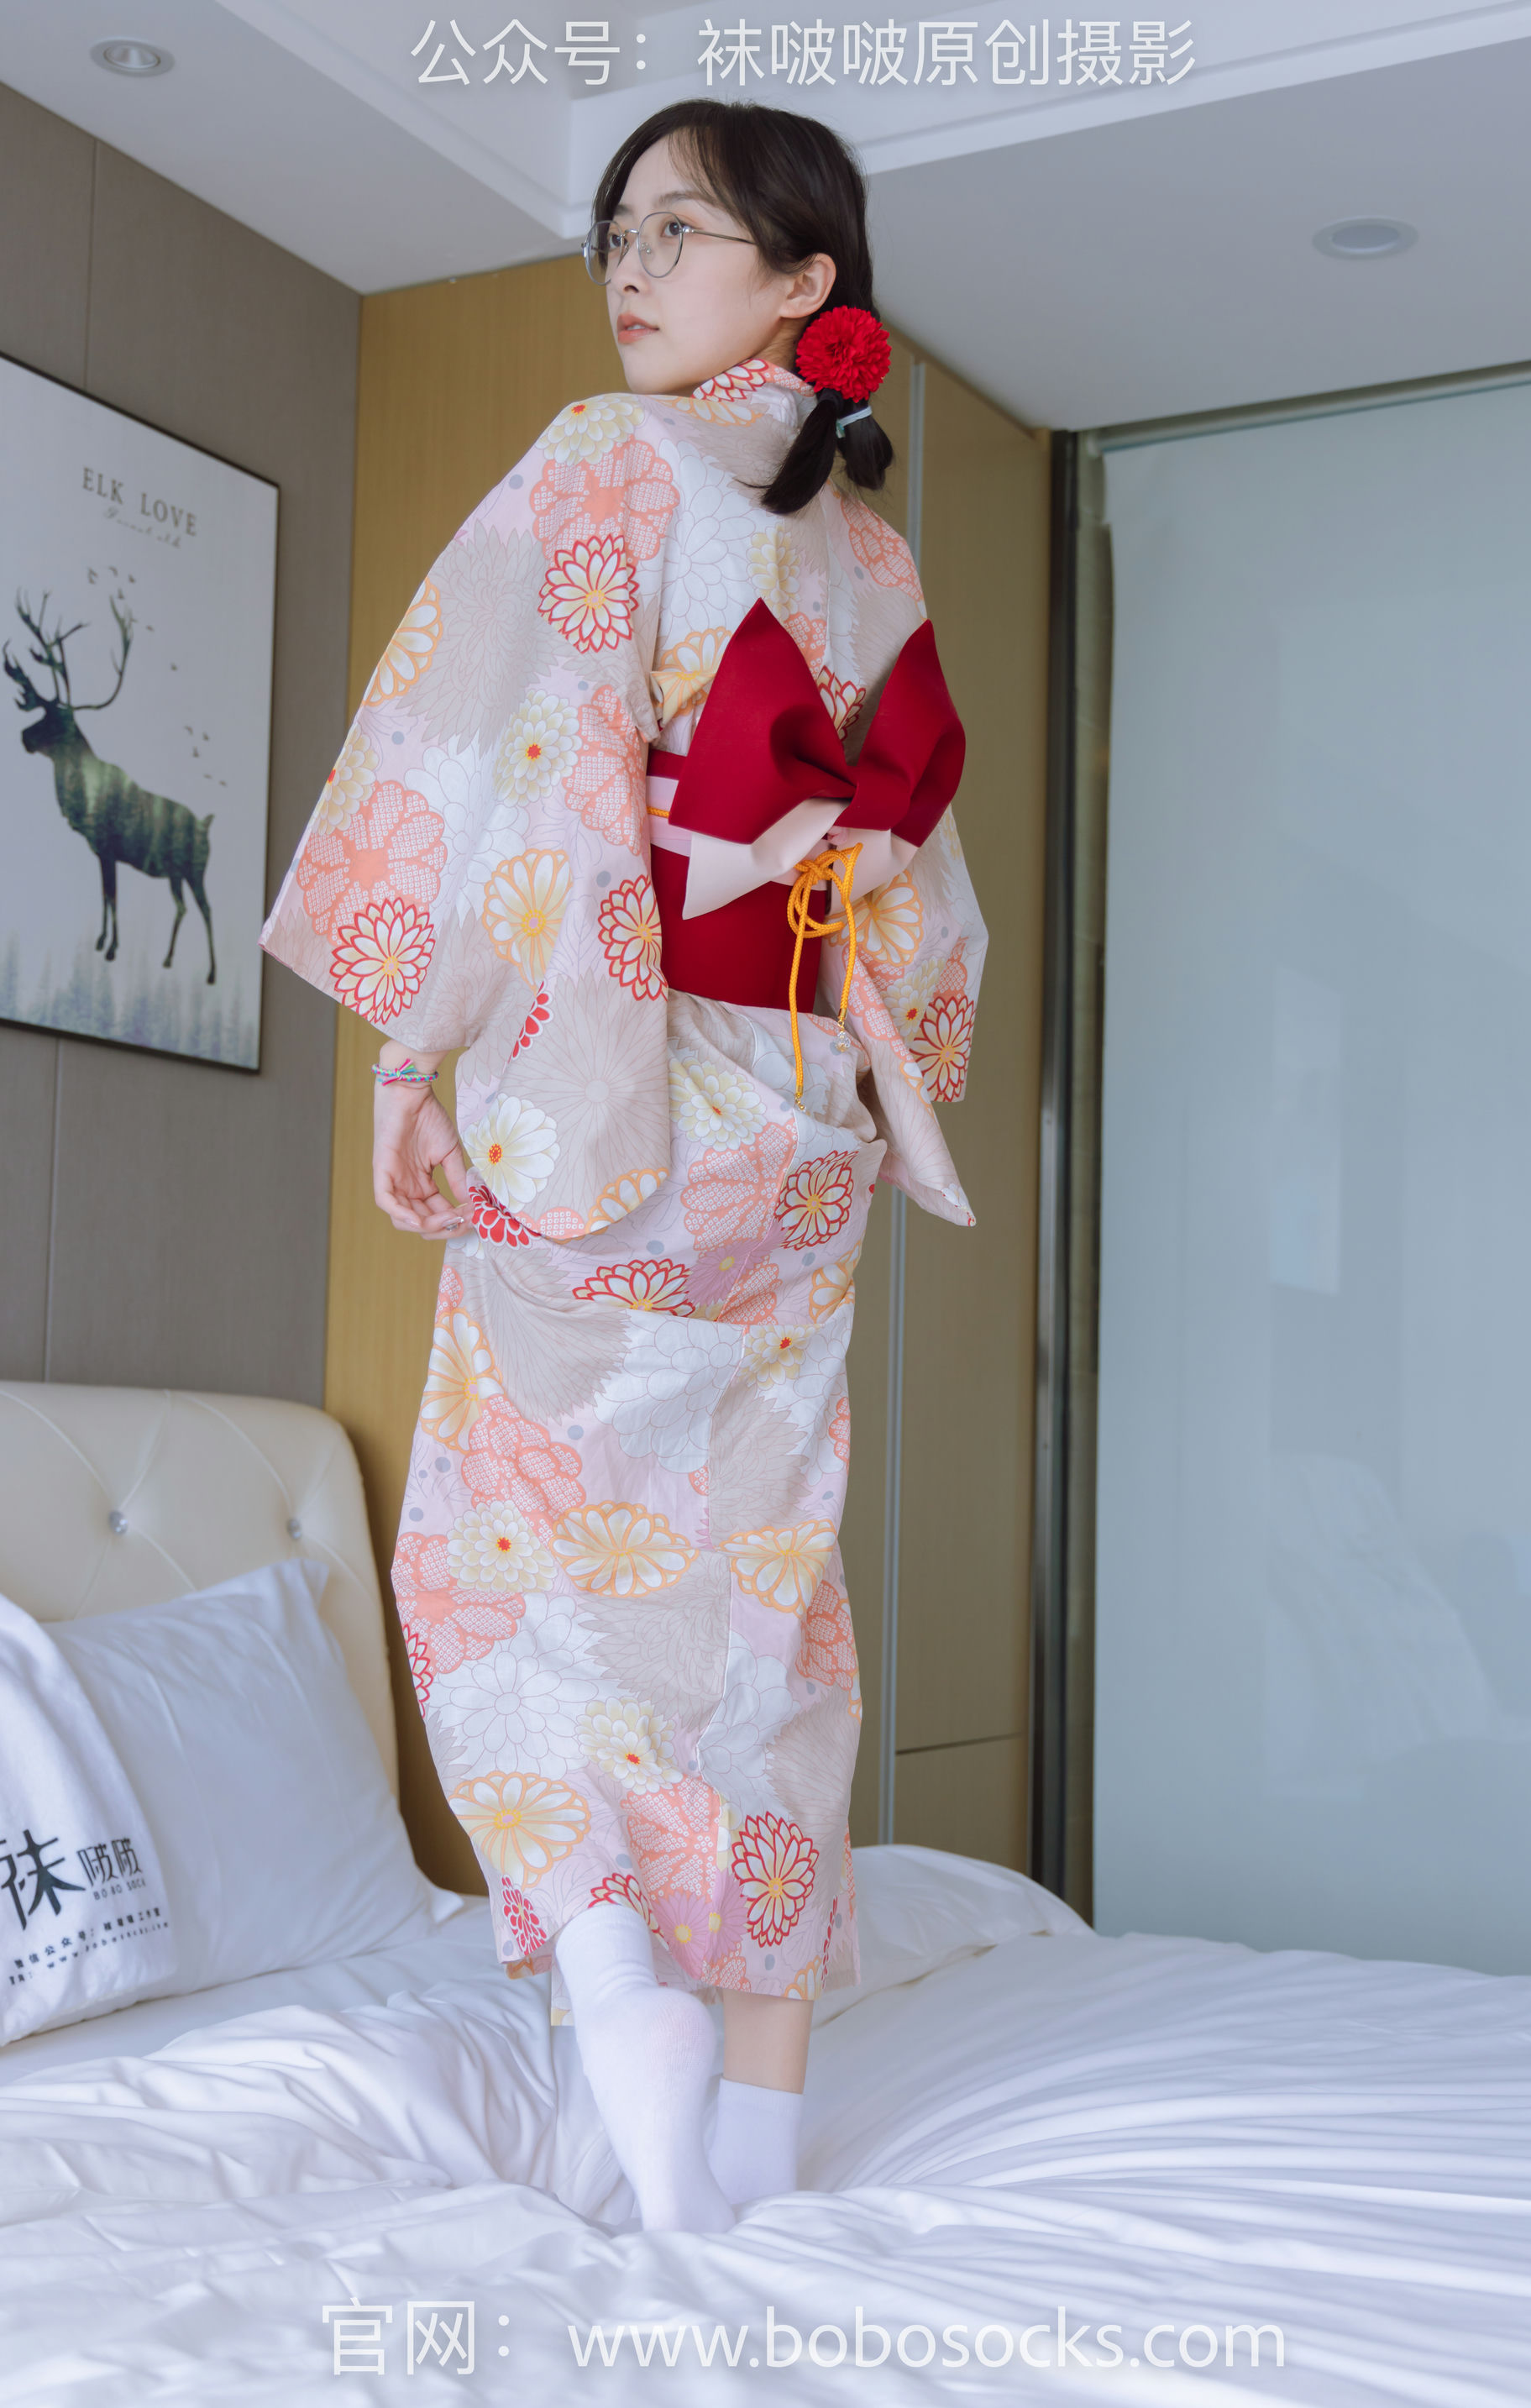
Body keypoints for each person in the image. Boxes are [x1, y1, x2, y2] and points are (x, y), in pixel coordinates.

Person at [260, 95, 987, 2233]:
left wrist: (410, 1059)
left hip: (628, 1091)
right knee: (762, 1604)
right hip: (801, 1115)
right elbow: (910, 880)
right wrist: (874, 1069)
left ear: (803, 280)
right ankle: (759, 2115)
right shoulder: (870, 550)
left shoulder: (609, 458)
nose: (629, 268)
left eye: (683, 231)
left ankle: (611, 1984)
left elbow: (504, 772)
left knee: (490, 1560)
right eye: (617, 230)